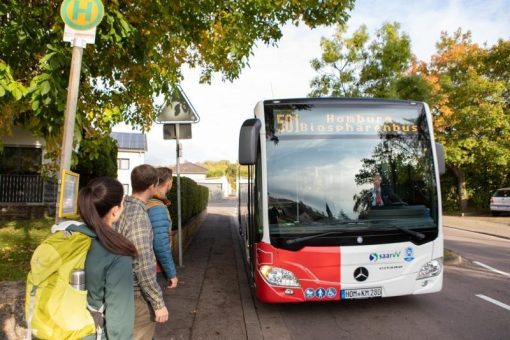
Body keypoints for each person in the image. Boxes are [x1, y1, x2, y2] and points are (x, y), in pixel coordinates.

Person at [78, 177, 138, 339]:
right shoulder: (116, 252)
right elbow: (119, 323)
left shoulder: (67, 236)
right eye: (122, 203)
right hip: (89, 333)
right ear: (115, 210)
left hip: (54, 328)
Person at [114, 164, 168, 340]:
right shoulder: (138, 217)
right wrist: (158, 303)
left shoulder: (122, 208)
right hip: (136, 295)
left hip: (118, 287)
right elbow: (143, 264)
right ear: (153, 185)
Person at [146, 167, 178, 291]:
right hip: (154, 268)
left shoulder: (148, 201)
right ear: (169, 182)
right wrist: (171, 273)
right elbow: (160, 243)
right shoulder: (157, 207)